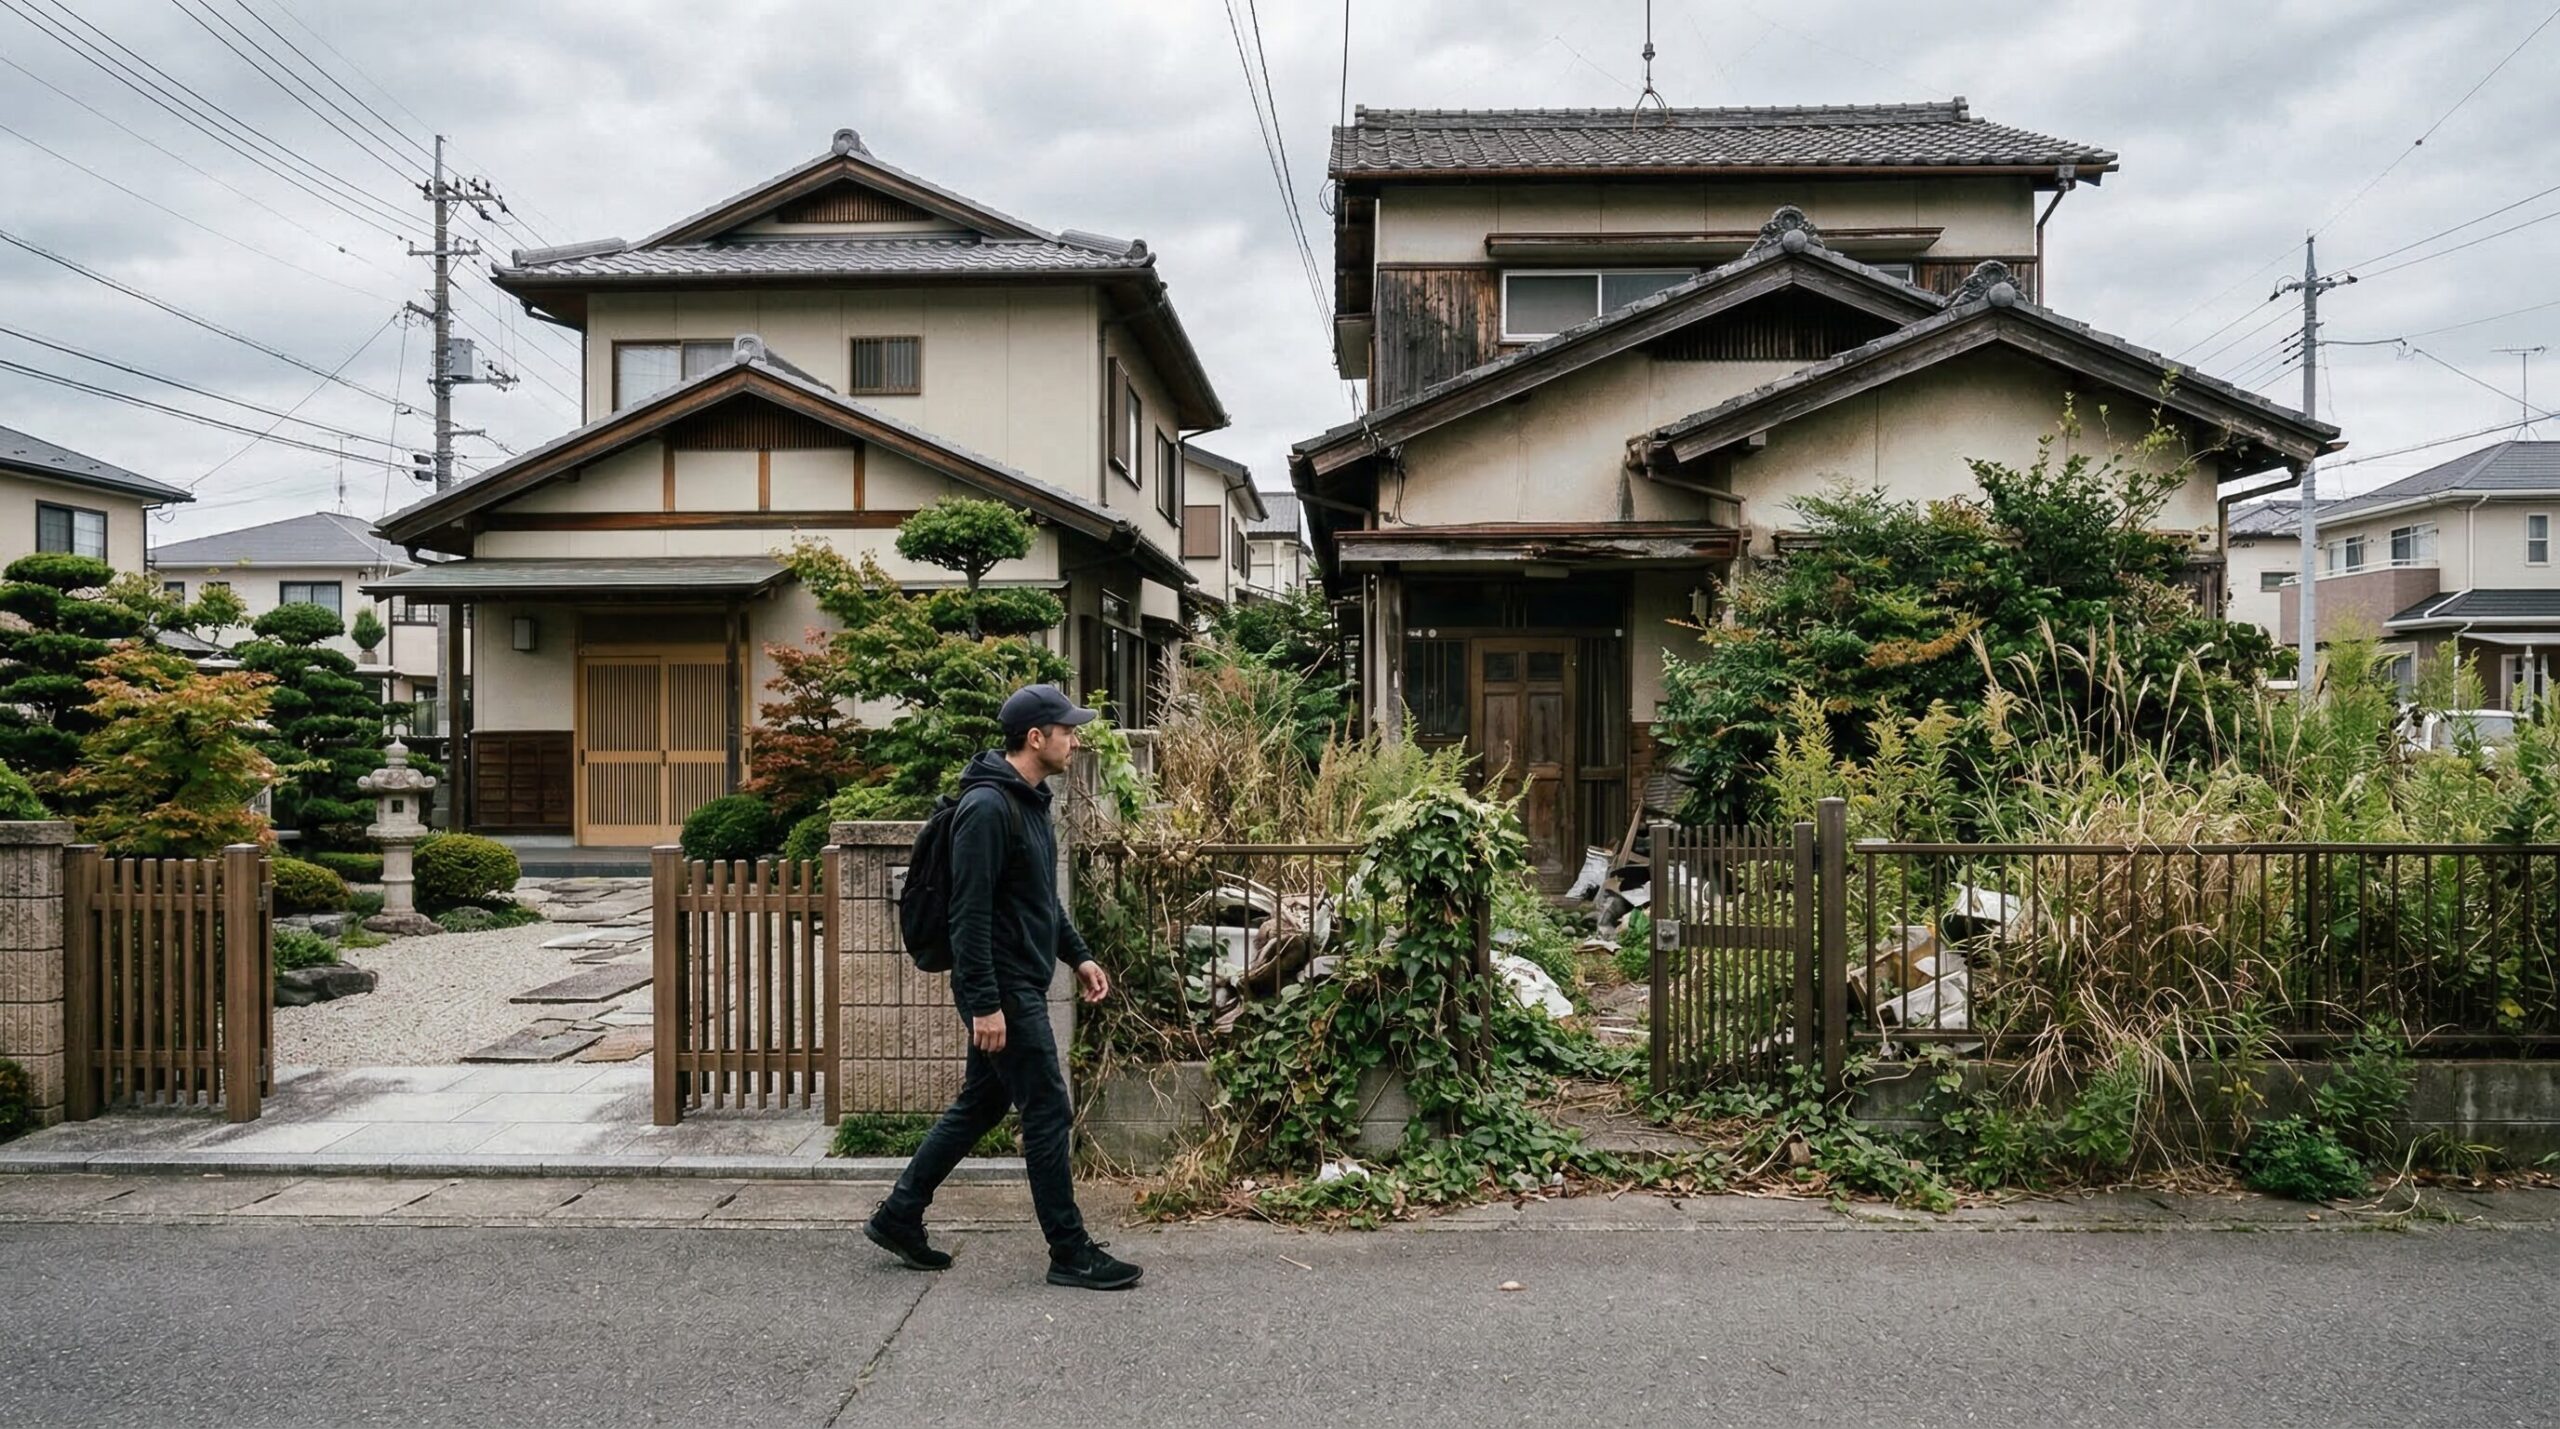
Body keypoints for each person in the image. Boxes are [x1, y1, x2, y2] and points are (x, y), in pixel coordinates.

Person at [866, 683, 1141, 1291]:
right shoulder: (988, 809)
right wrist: (985, 1003)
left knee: (982, 1103)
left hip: (1017, 980)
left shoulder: (1030, 801)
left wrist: (1079, 956)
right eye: (1067, 730)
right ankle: (1069, 1251)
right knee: (1047, 1109)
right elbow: (970, 916)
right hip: (1002, 988)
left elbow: (1039, 898)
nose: (1076, 739)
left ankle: (899, 1214)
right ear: (1035, 737)